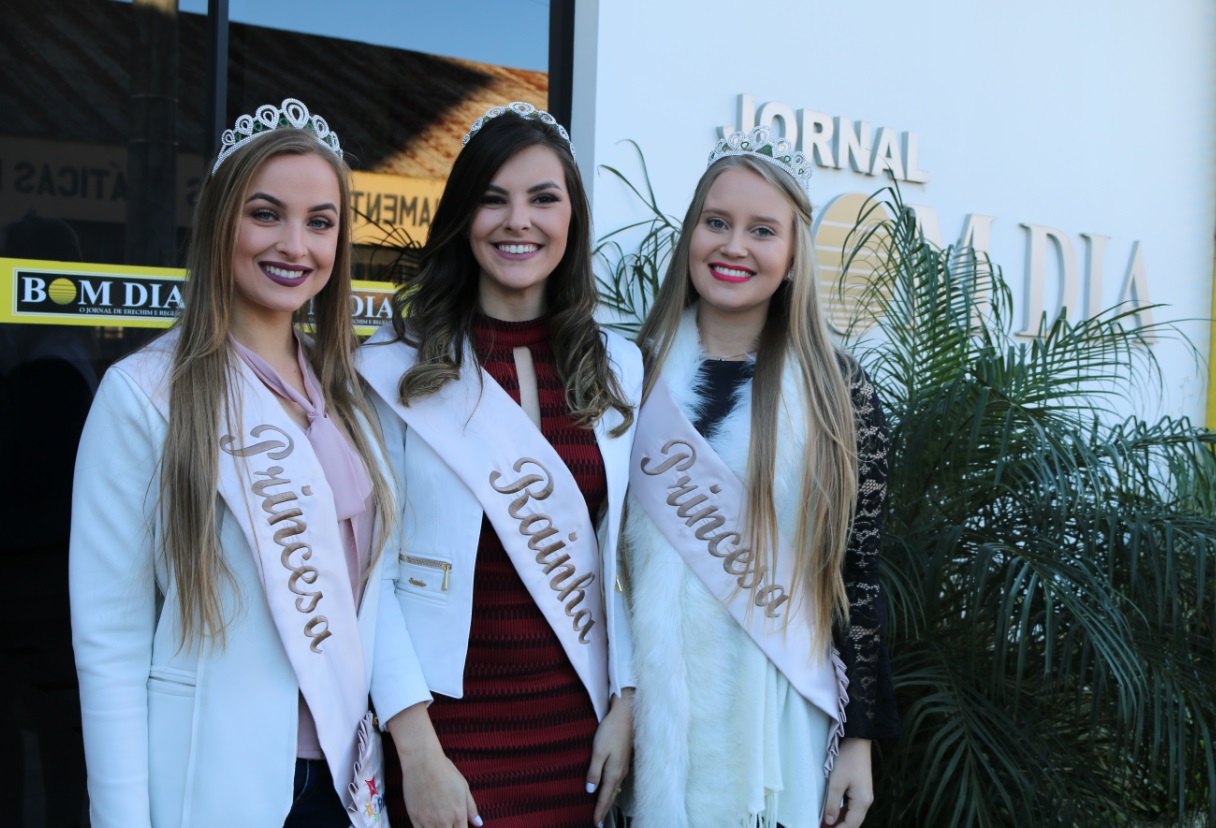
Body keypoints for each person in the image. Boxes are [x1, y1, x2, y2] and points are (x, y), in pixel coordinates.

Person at [69, 98, 409, 827]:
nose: (295, 244)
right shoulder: (144, 396)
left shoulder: (347, 395)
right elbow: (110, 647)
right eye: (266, 214)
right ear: (221, 221)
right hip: (215, 786)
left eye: (320, 222)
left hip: (349, 785)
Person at [356, 102, 641, 828]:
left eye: (543, 199)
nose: (519, 221)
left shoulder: (619, 367)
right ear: (463, 216)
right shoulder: (393, 368)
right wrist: (416, 750)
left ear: (571, 217)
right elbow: (368, 576)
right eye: (493, 199)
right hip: (446, 732)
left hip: (580, 729)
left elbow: (631, 555)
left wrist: (628, 699)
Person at [623, 126, 899, 828]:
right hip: (649, 718)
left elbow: (858, 575)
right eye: (716, 222)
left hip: (773, 728)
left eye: (762, 230)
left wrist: (858, 741)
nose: (734, 246)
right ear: (691, 233)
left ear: (794, 253)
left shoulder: (839, 393)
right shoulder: (629, 374)